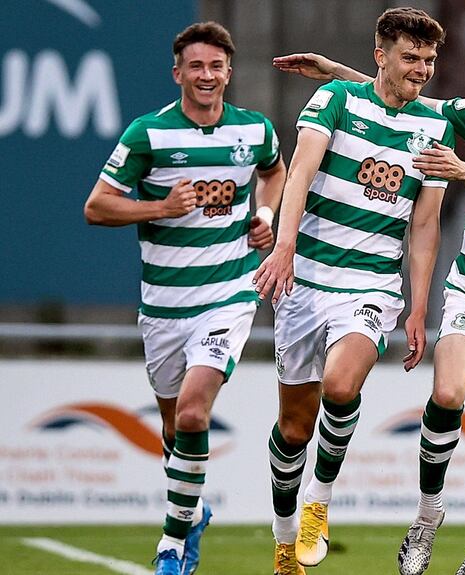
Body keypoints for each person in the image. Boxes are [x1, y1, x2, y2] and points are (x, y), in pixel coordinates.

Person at [273, 44, 465, 575]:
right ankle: (427, 516)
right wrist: (335, 71)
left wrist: (461, 171)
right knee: (446, 395)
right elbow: (405, 99)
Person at [252, 8, 452, 575]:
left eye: (429, 60)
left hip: (371, 284)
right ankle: (284, 540)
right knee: (294, 427)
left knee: (341, 386)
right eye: (410, 58)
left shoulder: (437, 127)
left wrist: (419, 306)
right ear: (380, 55)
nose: (422, 70)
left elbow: (425, 224)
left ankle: (319, 500)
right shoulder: (337, 99)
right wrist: (284, 246)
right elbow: (300, 172)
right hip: (304, 280)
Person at [83, 21, 285, 575]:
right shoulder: (147, 135)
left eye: (215, 66)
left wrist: (266, 215)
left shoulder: (254, 129)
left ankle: (172, 546)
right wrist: (160, 208)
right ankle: (192, 513)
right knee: (175, 429)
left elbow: (274, 172)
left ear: (229, 72)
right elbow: (96, 206)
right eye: (196, 66)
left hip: (229, 294)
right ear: (177, 73)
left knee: (195, 412)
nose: (206, 75)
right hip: (164, 305)